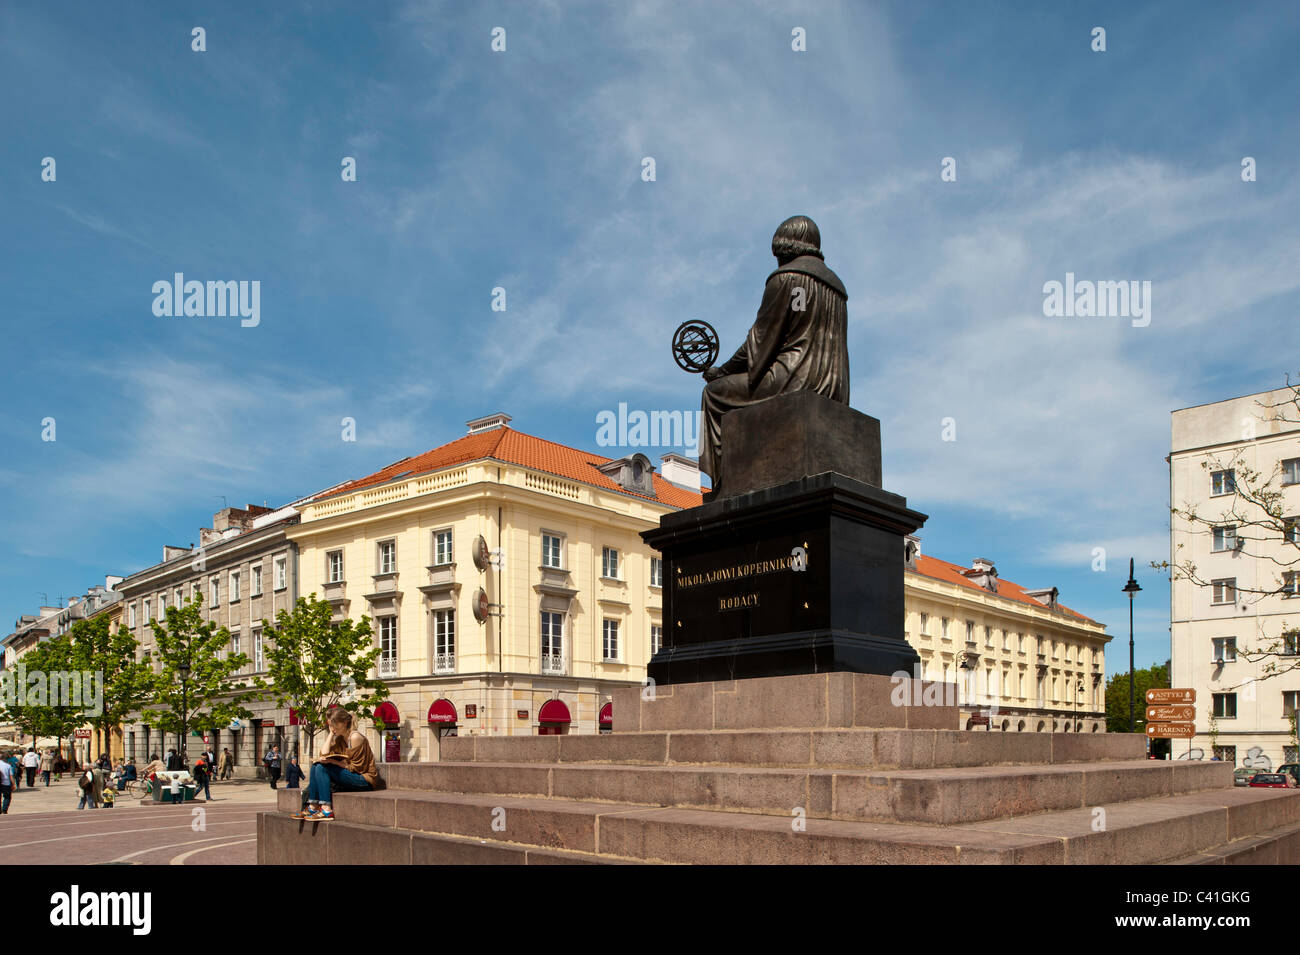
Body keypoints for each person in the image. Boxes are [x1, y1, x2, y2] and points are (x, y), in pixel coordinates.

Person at [698, 215, 849, 498]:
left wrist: (724, 371)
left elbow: (762, 338)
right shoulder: (837, 289)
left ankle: (723, 487)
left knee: (714, 394)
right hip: (833, 387)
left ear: (786, 247)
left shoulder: (786, 278)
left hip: (792, 379)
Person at [291, 710, 378, 821]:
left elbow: (358, 768)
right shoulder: (341, 739)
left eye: (334, 725)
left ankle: (327, 809)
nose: (332, 728)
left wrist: (333, 762)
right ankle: (313, 807)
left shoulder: (355, 737)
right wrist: (331, 735)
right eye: (330, 725)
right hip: (351, 776)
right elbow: (324, 754)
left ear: (345, 723)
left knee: (322, 768)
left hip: (365, 780)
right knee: (316, 766)